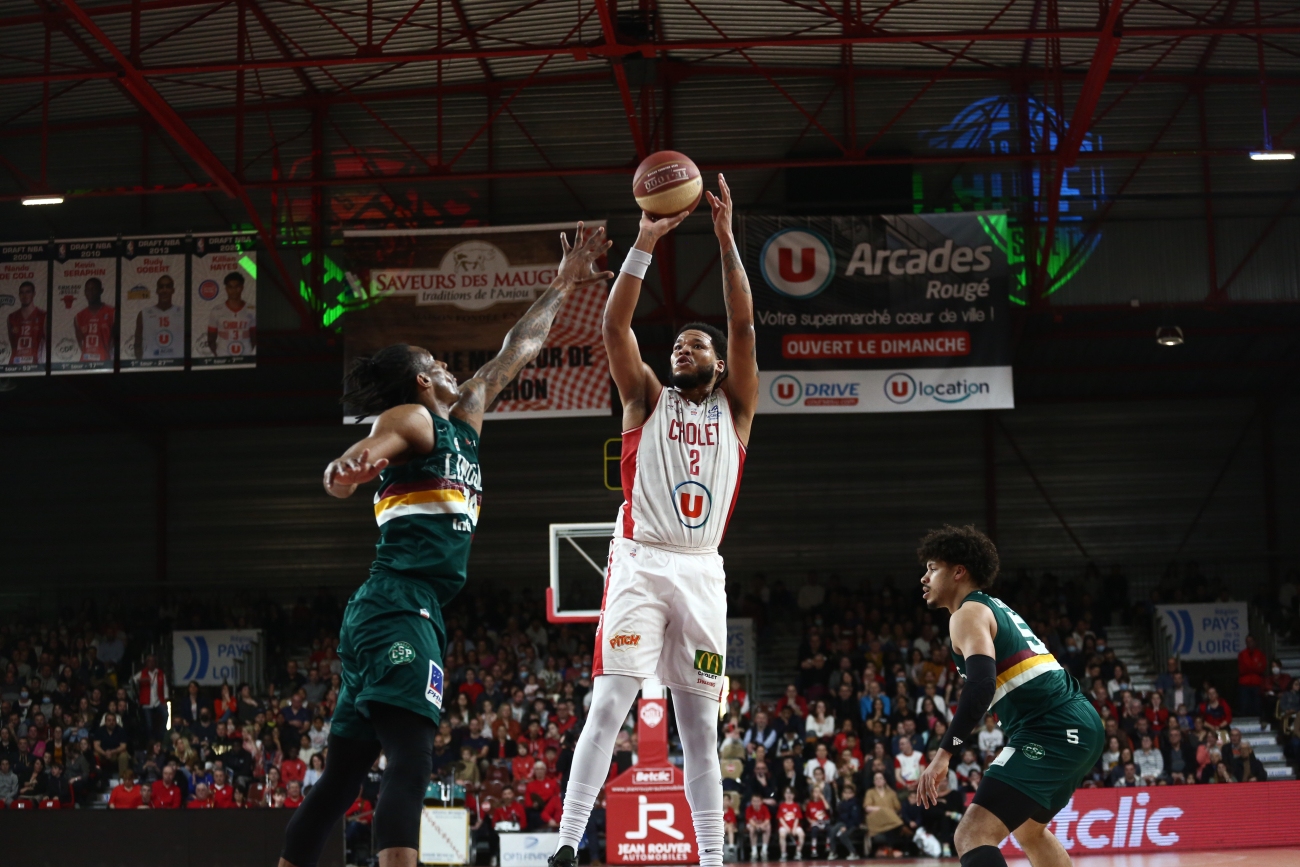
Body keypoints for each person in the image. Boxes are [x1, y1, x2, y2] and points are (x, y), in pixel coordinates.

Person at [278, 223, 611, 867]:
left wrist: (565, 283)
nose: (451, 367)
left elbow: (520, 347)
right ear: (423, 381)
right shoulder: (414, 419)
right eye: (437, 363)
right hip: (402, 603)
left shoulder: (465, 418)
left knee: (343, 779)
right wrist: (347, 471)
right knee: (410, 759)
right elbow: (359, 455)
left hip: (389, 610)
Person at [550, 177, 758, 867]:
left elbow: (746, 325)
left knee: (700, 724)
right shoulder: (644, 397)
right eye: (680, 345)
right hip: (640, 559)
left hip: (702, 571)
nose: (685, 348)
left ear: (720, 364)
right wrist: (643, 241)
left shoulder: (737, 408)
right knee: (608, 704)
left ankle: (713, 859)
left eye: (698, 345)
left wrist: (726, 239)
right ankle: (566, 841)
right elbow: (614, 327)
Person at [915, 525, 1104, 867]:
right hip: (1077, 723)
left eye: (932, 568)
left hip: (1052, 726)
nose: (924, 577)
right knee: (1029, 831)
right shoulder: (989, 606)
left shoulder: (966, 614)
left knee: (972, 834)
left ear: (959, 571)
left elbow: (981, 685)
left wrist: (944, 754)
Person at [206, 271, 256, 358]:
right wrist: (217, 355)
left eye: (237, 287)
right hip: (223, 355)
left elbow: (254, 336)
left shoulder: (252, 310)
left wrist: (250, 352)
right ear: (226, 289)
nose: (234, 290)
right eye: (230, 287)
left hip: (246, 356)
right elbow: (211, 339)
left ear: (242, 287)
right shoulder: (217, 311)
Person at [133, 273, 181, 360]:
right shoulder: (144, 314)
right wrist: (142, 363)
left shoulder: (183, 313)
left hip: (176, 365)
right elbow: (137, 343)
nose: (164, 290)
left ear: (173, 290)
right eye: (161, 287)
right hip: (151, 365)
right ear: (157, 291)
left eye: (168, 287)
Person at [74, 277, 115, 363]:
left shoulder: (112, 313)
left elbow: (115, 340)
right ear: (84, 292)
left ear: (101, 291)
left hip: (106, 363)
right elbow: (81, 343)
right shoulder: (79, 316)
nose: (90, 292)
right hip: (85, 363)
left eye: (94, 289)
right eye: (87, 290)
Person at [7, 280, 46, 365]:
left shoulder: (43, 315)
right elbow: (12, 343)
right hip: (15, 364)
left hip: (35, 364)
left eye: (28, 292)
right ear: (19, 295)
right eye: (21, 293)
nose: (24, 295)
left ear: (34, 294)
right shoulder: (11, 317)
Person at [1237, 636, 1267, 718]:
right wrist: (1255, 666)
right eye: (1247, 641)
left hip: (1257, 683)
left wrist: (1250, 667)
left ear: (1254, 642)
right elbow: (1241, 669)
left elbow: (1262, 668)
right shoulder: (1242, 654)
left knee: (1257, 705)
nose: (1249, 643)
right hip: (1244, 683)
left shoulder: (1260, 654)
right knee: (1244, 705)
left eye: (1251, 641)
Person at [775, 788, 804, 861]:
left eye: (791, 793)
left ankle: (798, 853)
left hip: (795, 825)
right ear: (784, 795)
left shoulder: (796, 805)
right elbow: (780, 818)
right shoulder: (781, 805)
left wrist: (794, 827)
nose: (789, 795)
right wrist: (786, 827)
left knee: (802, 834)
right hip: (784, 826)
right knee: (782, 835)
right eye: (787, 793)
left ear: (794, 795)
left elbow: (797, 818)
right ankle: (783, 854)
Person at [744, 792, 771, 861]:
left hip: (762, 824)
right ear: (751, 802)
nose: (756, 803)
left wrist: (762, 825)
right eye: (754, 801)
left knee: (768, 827)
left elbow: (767, 819)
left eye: (757, 801)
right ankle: (754, 851)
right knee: (752, 829)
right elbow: (750, 820)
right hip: (752, 825)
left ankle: (764, 850)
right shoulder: (749, 808)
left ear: (761, 802)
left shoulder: (764, 808)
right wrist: (757, 826)